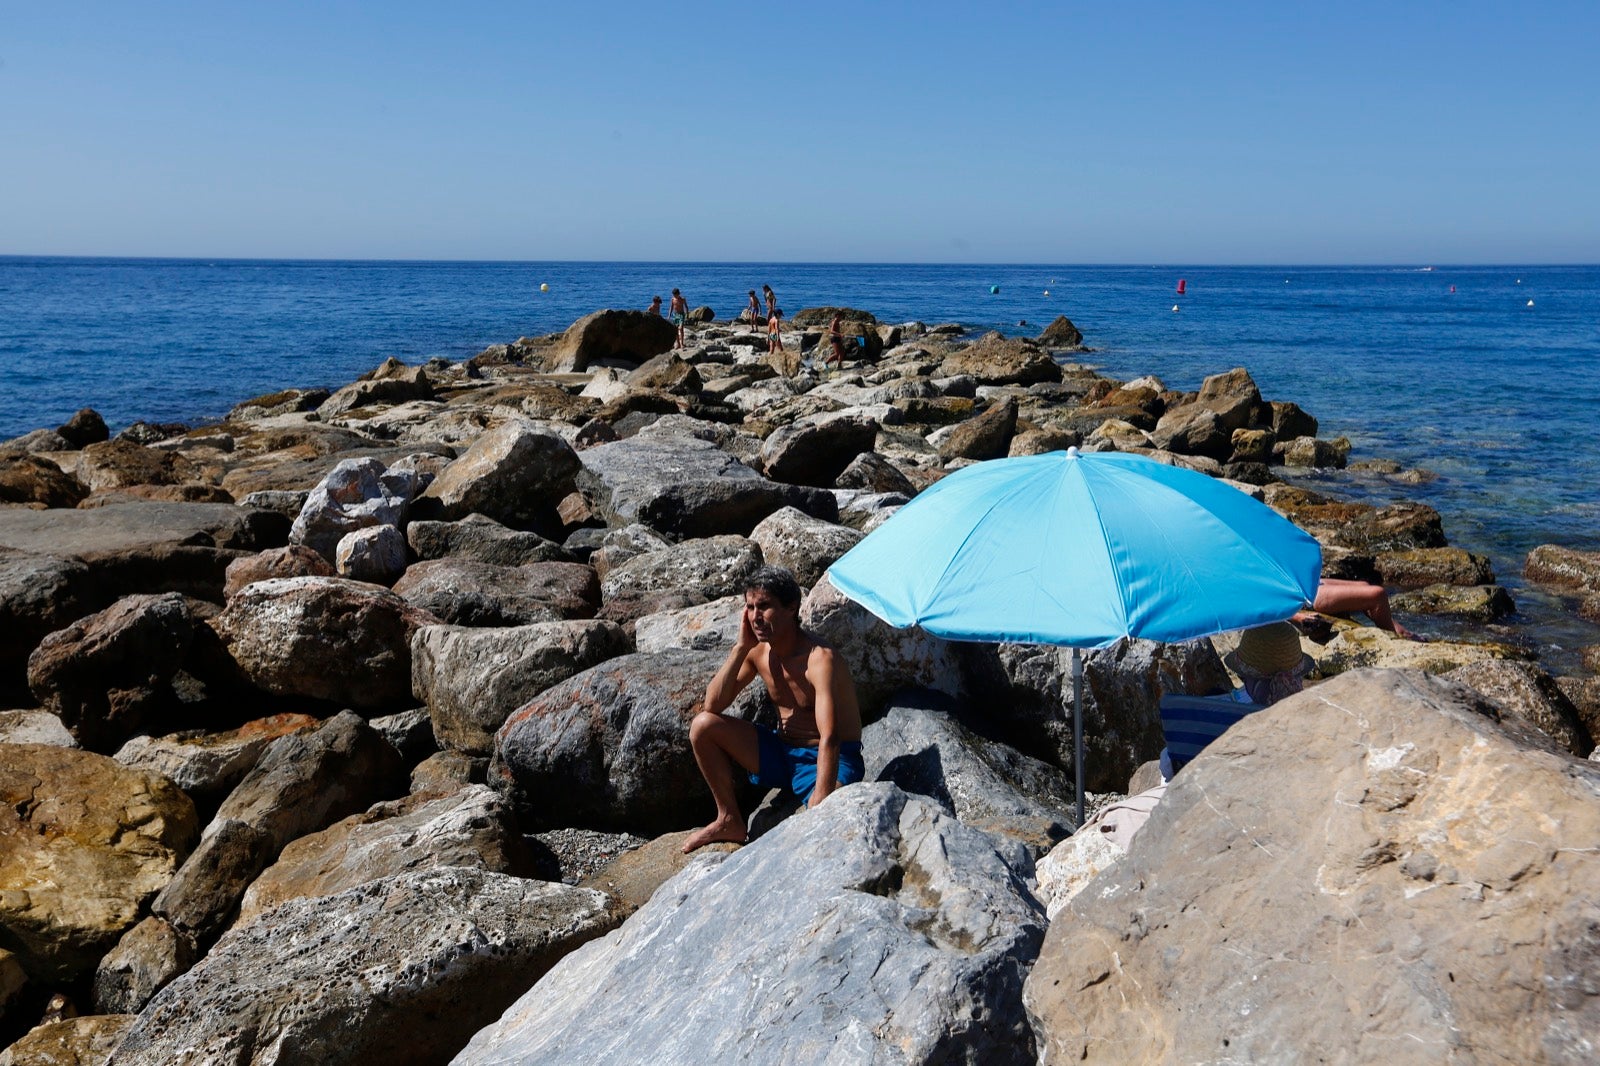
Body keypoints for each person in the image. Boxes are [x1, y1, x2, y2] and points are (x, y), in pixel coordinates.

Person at [682, 566, 865, 853]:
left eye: (764, 606)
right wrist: (741, 647)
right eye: (750, 607)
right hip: (782, 752)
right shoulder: (758, 652)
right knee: (703, 726)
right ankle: (729, 818)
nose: (755, 616)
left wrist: (820, 801)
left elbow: (830, 736)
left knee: (833, 820)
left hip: (829, 756)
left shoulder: (819, 660)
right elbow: (713, 704)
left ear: (791, 607)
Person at [1092, 621, 1313, 851]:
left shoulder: (1207, 711)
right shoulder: (1304, 717)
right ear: (1297, 674)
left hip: (1203, 808)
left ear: (1243, 671)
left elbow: (1169, 769)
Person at [1299, 577, 1420, 640]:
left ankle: (1397, 629)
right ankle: (1397, 637)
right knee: (1378, 594)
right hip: (1306, 596)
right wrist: (1299, 617)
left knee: (1364, 585)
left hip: (1307, 584)